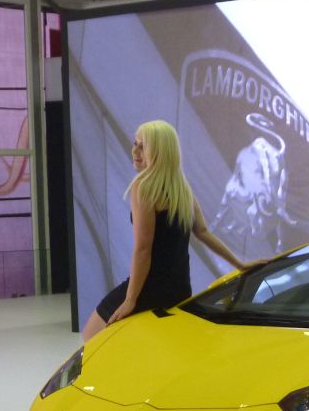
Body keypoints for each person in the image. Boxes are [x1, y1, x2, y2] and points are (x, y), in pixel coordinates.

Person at [81, 120, 247, 342]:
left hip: (149, 289)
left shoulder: (144, 187)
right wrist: (240, 264)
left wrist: (131, 299)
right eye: (135, 143)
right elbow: (203, 232)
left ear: (160, 151)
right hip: (179, 290)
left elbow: (143, 249)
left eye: (143, 146)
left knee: (90, 335)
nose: (135, 151)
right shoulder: (182, 189)